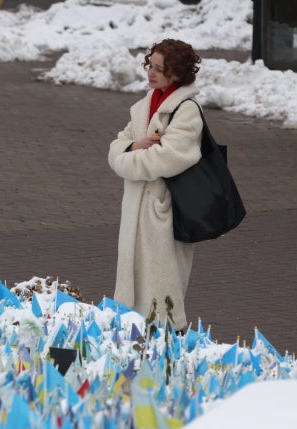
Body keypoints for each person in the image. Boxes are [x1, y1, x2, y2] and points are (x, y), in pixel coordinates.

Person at [108, 39, 203, 331]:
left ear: (176, 74)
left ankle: (169, 350)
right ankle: (136, 346)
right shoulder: (143, 106)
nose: (151, 73)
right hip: (136, 213)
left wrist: (129, 157)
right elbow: (116, 149)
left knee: (163, 297)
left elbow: (166, 159)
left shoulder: (187, 111)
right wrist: (135, 146)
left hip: (164, 214)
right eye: (150, 65)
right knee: (132, 297)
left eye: (159, 69)